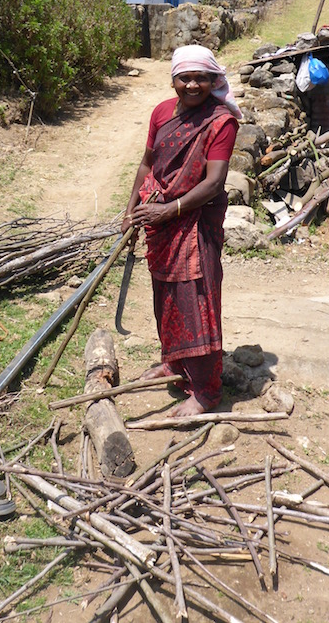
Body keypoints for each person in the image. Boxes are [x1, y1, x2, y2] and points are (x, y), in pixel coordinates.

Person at [121, 44, 241, 417]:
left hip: (195, 221)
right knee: (165, 297)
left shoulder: (221, 121)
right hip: (158, 220)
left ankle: (206, 391)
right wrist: (130, 213)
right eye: (184, 77)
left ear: (213, 80)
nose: (193, 85)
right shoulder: (160, 112)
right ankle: (174, 364)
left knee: (196, 300)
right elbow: (147, 164)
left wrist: (168, 209)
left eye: (201, 78)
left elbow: (214, 182)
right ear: (173, 79)